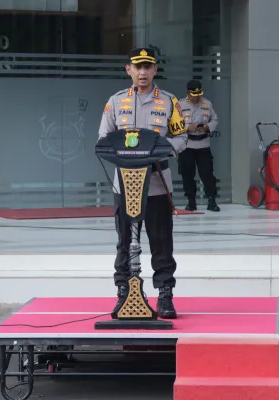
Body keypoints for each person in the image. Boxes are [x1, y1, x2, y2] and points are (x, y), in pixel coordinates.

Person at [97, 47, 188, 319]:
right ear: (129, 70)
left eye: (148, 67)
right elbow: (103, 139)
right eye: (137, 67)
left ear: (155, 70)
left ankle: (165, 295)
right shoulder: (115, 102)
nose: (143, 72)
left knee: (161, 241)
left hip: (158, 184)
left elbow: (182, 138)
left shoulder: (169, 102)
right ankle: (124, 293)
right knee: (124, 242)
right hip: (124, 185)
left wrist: (158, 152)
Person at [178, 79, 220, 212]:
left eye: (199, 94)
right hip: (187, 145)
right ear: (188, 93)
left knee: (207, 174)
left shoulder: (207, 104)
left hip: (203, 144)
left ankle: (212, 200)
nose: (196, 97)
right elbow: (174, 123)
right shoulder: (180, 105)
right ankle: (191, 201)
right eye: (193, 94)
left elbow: (215, 119)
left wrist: (207, 128)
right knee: (187, 174)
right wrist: (188, 127)